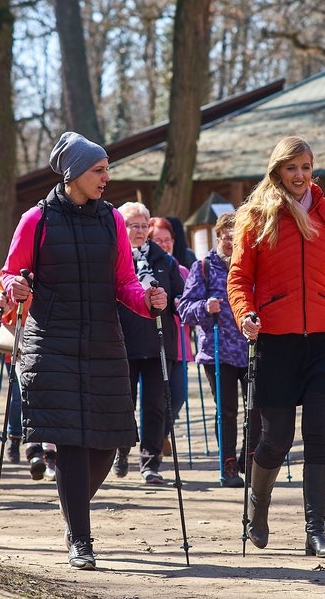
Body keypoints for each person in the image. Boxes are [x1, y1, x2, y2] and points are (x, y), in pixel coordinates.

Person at [1, 131, 166, 570]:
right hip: (51, 342)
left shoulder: (111, 219)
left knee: (108, 443)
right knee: (72, 441)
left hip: (104, 340)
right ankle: (81, 538)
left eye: (107, 169)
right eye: (99, 170)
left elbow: (124, 281)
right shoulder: (36, 219)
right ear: (74, 173)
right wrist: (14, 287)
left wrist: (147, 301)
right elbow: (10, 273)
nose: (106, 177)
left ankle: (71, 508)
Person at [227, 136, 325, 558]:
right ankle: (258, 504)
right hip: (275, 339)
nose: (300, 175)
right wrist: (245, 314)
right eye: (292, 167)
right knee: (276, 439)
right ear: (278, 170)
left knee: (318, 436)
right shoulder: (256, 216)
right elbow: (239, 279)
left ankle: (316, 531)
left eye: (306, 167)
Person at [178, 212, 261, 488]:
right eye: (227, 239)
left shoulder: (252, 265)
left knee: (256, 407)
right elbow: (184, 308)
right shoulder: (203, 267)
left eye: (237, 239)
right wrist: (205, 307)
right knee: (227, 410)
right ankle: (228, 464)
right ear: (218, 237)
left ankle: (249, 458)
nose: (232, 244)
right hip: (216, 351)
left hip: (251, 348)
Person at [115, 203, 184, 485]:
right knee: (123, 404)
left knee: (155, 406)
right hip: (122, 343)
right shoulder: (113, 258)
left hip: (158, 343)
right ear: (122, 228)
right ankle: (121, 450)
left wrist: (183, 304)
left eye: (144, 226)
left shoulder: (164, 260)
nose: (140, 231)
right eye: (134, 225)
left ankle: (150, 462)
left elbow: (180, 297)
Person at [0, 270, 57, 481]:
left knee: (51, 396)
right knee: (26, 395)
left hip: (54, 339)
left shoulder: (57, 263)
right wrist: (1, 306)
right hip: (21, 342)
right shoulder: (8, 271)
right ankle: (34, 450)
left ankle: (50, 454)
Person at [148, 217, 190, 459]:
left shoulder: (183, 270)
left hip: (180, 344)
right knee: (156, 399)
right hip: (155, 343)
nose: (164, 244)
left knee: (178, 395)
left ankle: (161, 433)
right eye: (158, 240)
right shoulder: (148, 270)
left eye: (168, 240)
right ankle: (154, 440)